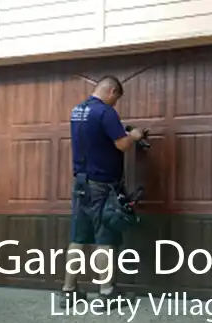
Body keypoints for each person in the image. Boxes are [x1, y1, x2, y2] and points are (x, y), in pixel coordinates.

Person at [59, 75, 145, 309]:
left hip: (81, 184)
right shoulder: (106, 112)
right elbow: (122, 144)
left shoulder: (77, 111)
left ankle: (68, 291)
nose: (115, 103)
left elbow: (95, 139)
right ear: (112, 92)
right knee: (104, 239)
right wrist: (134, 136)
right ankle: (107, 293)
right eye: (116, 99)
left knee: (78, 238)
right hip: (103, 185)